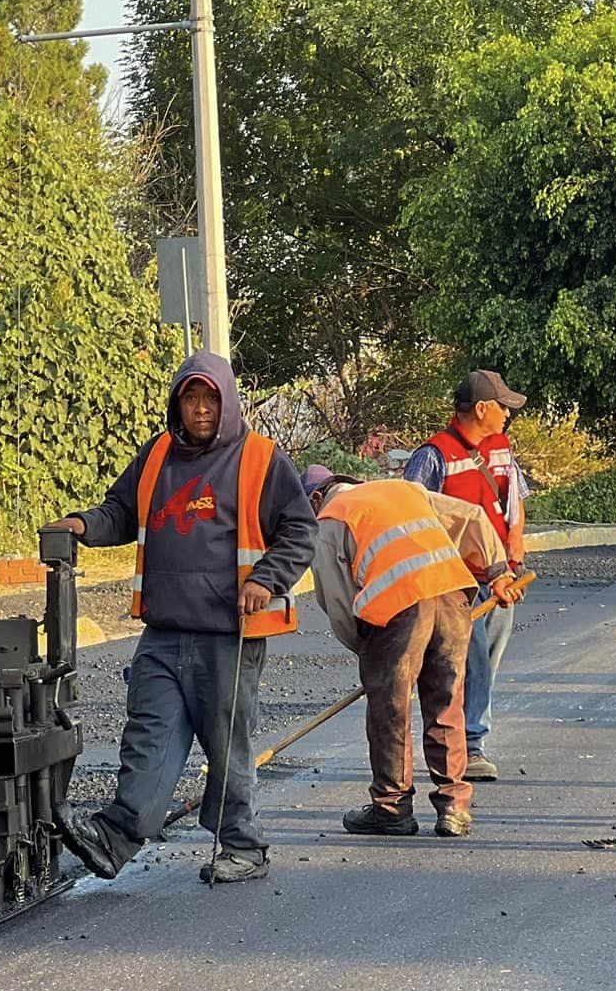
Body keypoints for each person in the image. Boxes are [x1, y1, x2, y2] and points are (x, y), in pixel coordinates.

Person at [48, 352, 317, 884]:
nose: (200, 409)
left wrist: (265, 579)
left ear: (228, 402)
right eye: (190, 398)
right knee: (147, 736)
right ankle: (116, 837)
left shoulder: (261, 459)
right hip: (164, 632)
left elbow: (301, 530)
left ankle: (242, 846)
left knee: (227, 744)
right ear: (178, 403)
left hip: (228, 636)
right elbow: (121, 513)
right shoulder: (157, 457)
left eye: (210, 399)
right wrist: (82, 524)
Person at [305, 467, 521, 839]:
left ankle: (391, 807)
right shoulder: (403, 490)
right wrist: (497, 571)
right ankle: (454, 807)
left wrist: (371, 658)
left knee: (392, 710)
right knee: (447, 703)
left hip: (399, 608)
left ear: (314, 499)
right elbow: (472, 516)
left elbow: (338, 603)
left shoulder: (329, 518)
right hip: (453, 596)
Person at [402, 370, 529, 781]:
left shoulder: (502, 448)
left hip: (502, 581)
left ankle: (472, 741)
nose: (508, 413)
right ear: (481, 409)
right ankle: (469, 746)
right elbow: (412, 514)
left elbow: (515, 500)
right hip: (456, 583)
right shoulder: (433, 456)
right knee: (462, 663)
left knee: (485, 664)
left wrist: (515, 550)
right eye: (502, 406)